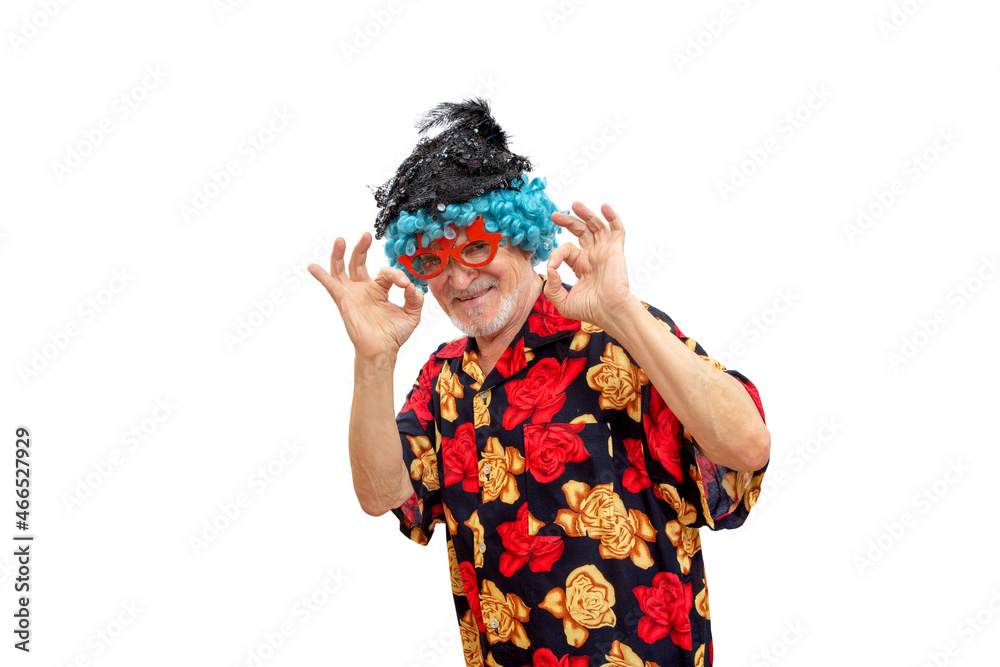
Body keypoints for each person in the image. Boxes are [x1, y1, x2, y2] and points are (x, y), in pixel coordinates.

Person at [308, 98, 770, 667]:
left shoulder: (615, 335)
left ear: (520, 235)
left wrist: (623, 312)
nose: (460, 278)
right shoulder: (444, 377)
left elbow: (747, 448)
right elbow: (381, 495)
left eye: (477, 246)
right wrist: (373, 359)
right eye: (434, 260)